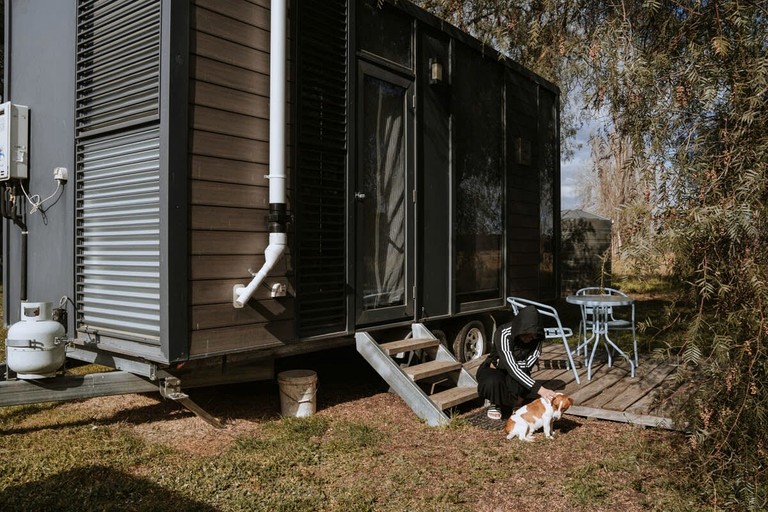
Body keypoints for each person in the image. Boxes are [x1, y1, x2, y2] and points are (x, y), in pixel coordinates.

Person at [477, 305, 558, 420]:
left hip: (509, 368)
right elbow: (511, 365)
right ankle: (495, 401)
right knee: (491, 381)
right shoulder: (504, 333)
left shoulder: (538, 338)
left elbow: (528, 364)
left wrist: (504, 364)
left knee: (520, 376)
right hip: (494, 370)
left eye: (532, 336)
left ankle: (516, 402)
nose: (529, 338)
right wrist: (541, 390)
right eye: (526, 334)